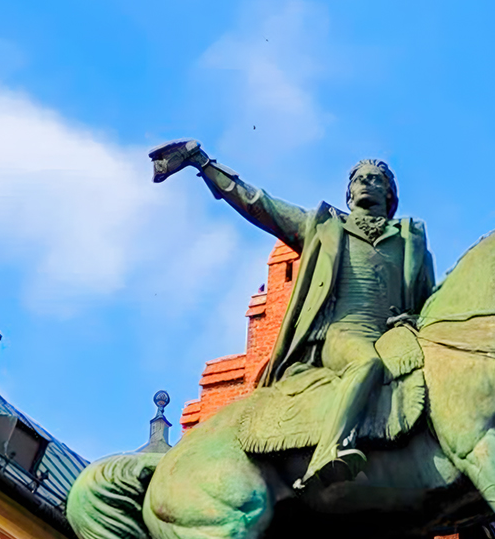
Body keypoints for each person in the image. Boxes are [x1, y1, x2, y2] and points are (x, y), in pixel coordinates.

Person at [179, 149, 435, 491]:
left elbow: (428, 304)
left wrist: (416, 317)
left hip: (393, 336)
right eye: (358, 179)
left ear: (389, 192)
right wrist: (205, 165)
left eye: (374, 179)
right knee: (366, 364)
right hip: (343, 334)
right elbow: (260, 204)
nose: (364, 183)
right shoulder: (325, 228)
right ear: (349, 193)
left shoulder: (410, 240)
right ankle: (328, 450)